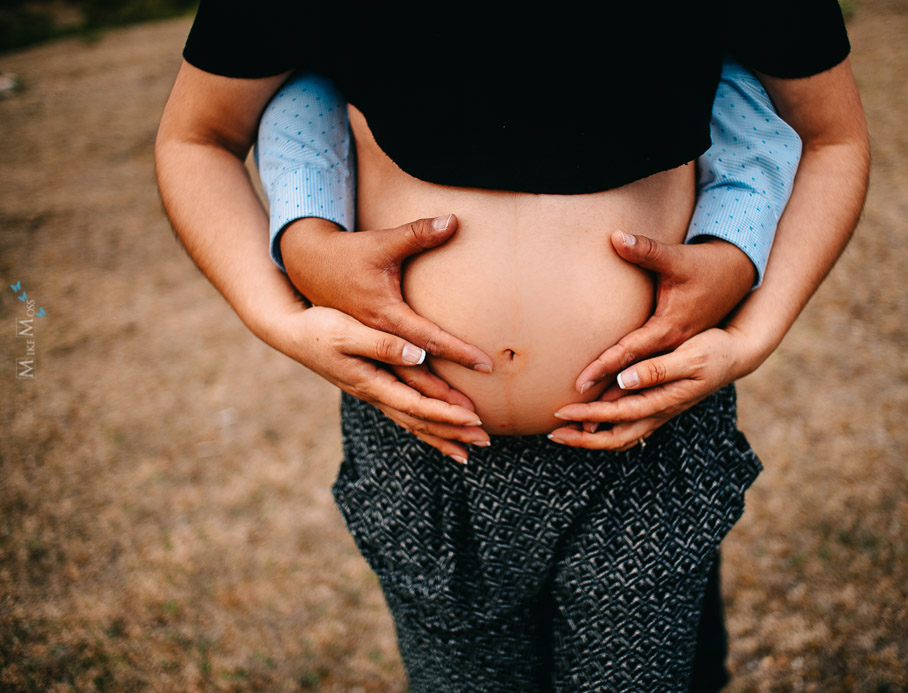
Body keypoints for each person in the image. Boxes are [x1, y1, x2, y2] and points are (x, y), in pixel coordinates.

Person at [155, 3, 869, 689]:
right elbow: (214, 131)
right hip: (426, 453)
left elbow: (818, 134)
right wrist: (284, 309)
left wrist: (750, 328)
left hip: (643, 444)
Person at [255, 61, 800, 690]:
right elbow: (305, 87)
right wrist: (305, 233)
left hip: (641, 439)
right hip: (429, 450)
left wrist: (731, 252)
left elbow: (744, 111)